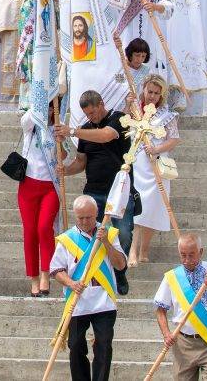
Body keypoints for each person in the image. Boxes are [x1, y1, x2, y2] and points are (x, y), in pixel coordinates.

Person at [55, 90, 135, 295]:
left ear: (101, 104)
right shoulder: (85, 131)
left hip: (119, 191)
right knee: (92, 234)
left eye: (93, 113)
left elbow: (106, 135)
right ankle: (96, 270)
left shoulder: (118, 118)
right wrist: (65, 170)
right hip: (94, 191)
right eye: (88, 115)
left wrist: (72, 131)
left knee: (123, 233)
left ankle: (120, 269)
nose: (91, 118)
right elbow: (81, 162)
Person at [50, 195, 127, 381]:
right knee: (75, 345)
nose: (85, 222)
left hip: (104, 300)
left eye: (89, 217)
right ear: (75, 216)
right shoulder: (67, 239)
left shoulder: (109, 233)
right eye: (81, 218)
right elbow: (56, 270)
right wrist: (71, 283)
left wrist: (107, 243)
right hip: (78, 301)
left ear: (96, 214)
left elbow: (120, 265)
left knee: (104, 344)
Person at [154, 233, 207, 381]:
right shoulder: (172, 277)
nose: (187, 260)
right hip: (184, 343)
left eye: (192, 255)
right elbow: (160, 310)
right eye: (183, 255)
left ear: (201, 252)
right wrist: (166, 334)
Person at [126, 74, 181, 267]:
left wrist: (156, 149)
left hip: (156, 163)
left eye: (157, 93)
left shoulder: (167, 115)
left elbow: (174, 139)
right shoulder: (134, 109)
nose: (152, 96)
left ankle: (144, 250)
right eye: (150, 91)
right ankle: (132, 250)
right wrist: (128, 104)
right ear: (144, 90)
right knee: (139, 207)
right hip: (138, 163)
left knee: (153, 208)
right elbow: (124, 124)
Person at [115, 0, 175, 107]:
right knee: (124, 63)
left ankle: (146, 104)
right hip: (128, 29)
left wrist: (156, 6)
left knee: (146, 64)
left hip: (148, 32)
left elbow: (168, 6)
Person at [17, 101, 62, 296]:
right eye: (46, 107)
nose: (49, 111)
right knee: (30, 232)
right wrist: (38, 103)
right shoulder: (31, 125)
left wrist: (63, 140)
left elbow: (68, 156)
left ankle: (46, 273)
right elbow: (24, 120)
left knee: (44, 228)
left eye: (52, 108)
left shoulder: (58, 127)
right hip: (28, 184)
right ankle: (33, 278)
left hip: (50, 186)